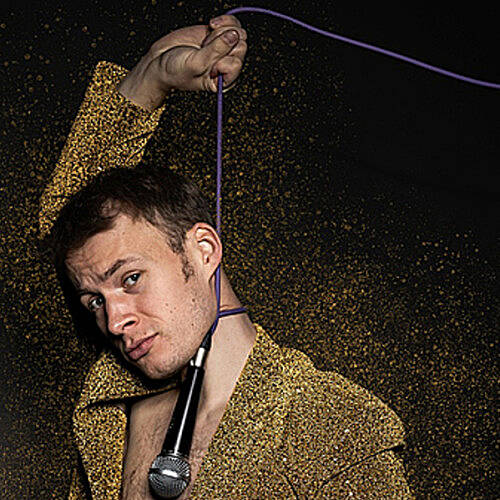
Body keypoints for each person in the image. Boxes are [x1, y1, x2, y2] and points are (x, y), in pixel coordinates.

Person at [39, 14, 412, 500]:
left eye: (130, 279)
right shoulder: (116, 396)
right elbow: (67, 223)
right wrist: (150, 79)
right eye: (94, 301)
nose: (113, 321)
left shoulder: (327, 423)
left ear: (204, 249)